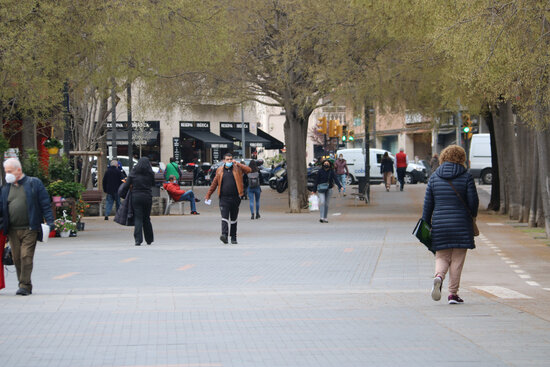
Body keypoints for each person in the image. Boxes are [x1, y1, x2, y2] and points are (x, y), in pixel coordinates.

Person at [422, 145, 479, 304]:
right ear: (461, 158)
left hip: (440, 223)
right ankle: (453, 294)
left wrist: (426, 223)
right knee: (457, 260)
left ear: (443, 158)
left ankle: (439, 276)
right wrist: (472, 216)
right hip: (461, 223)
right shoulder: (466, 176)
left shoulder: (434, 177)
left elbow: (428, 204)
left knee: (441, 255)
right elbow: (473, 202)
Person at [0, 158, 54, 296]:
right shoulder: (6, 188)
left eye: (10, 171)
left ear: (19, 170)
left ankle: (24, 285)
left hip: (30, 228)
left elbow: (45, 203)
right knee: (17, 258)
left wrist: (50, 221)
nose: (7, 174)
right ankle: (24, 283)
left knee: (26, 256)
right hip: (12, 230)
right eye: (6, 172)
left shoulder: (33, 183)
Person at [205, 153, 251, 244]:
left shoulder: (237, 169)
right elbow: (214, 183)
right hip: (224, 198)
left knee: (233, 218)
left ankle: (233, 237)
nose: (229, 161)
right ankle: (224, 235)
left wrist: (238, 163)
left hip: (235, 197)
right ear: (224, 161)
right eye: (227, 159)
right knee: (224, 217)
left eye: (231, 159)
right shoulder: (219, 170)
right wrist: (208, 194)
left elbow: (249, 170)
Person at [128, 157, 155, 246]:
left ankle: (138, 240)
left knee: (138, 218)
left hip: (136, 196)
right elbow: (153, 184)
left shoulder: (133, 173)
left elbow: (127, 184)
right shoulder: (150, 174)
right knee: (146, 217)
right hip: (147, 196)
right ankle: (149, 239)